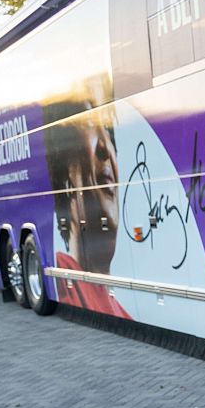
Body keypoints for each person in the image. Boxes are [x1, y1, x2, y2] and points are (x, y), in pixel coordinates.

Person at [44, 101, 130, 318]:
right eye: (90, 122)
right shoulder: (65, 281)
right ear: (65, 173)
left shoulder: (120, 311)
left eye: (108, 130)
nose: (105, 147)